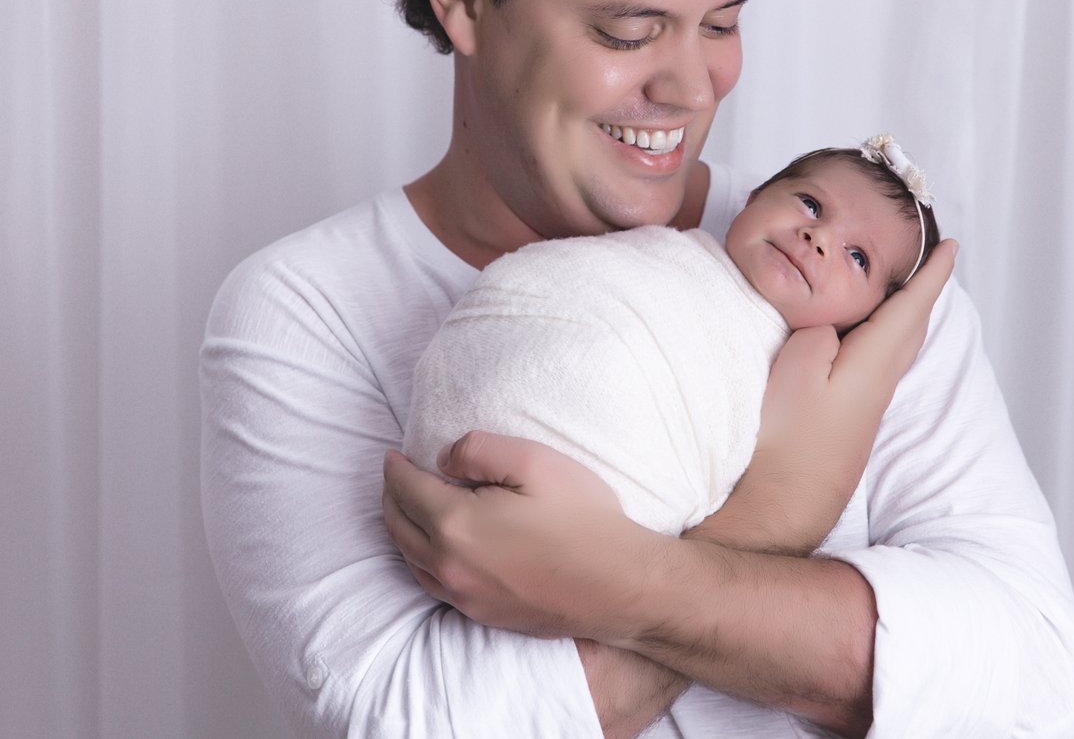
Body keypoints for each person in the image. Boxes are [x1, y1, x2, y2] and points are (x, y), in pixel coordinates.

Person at [200, 0, 1074, 738]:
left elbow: (1034, 679)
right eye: (627, 30)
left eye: (721, 23)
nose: (691, 86)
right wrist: (774, 516)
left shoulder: (847, 270)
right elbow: (414, 721)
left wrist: (634, 583)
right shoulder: (307, 312)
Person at [404, 138, 943, 538]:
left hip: (587, 504)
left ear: (871, 316)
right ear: (754, 197)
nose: (818, 237)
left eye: (858, 257)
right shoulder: (662, 251)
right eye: (811, 204)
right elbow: (573, 287)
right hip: (480, 400)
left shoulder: (808, 371)